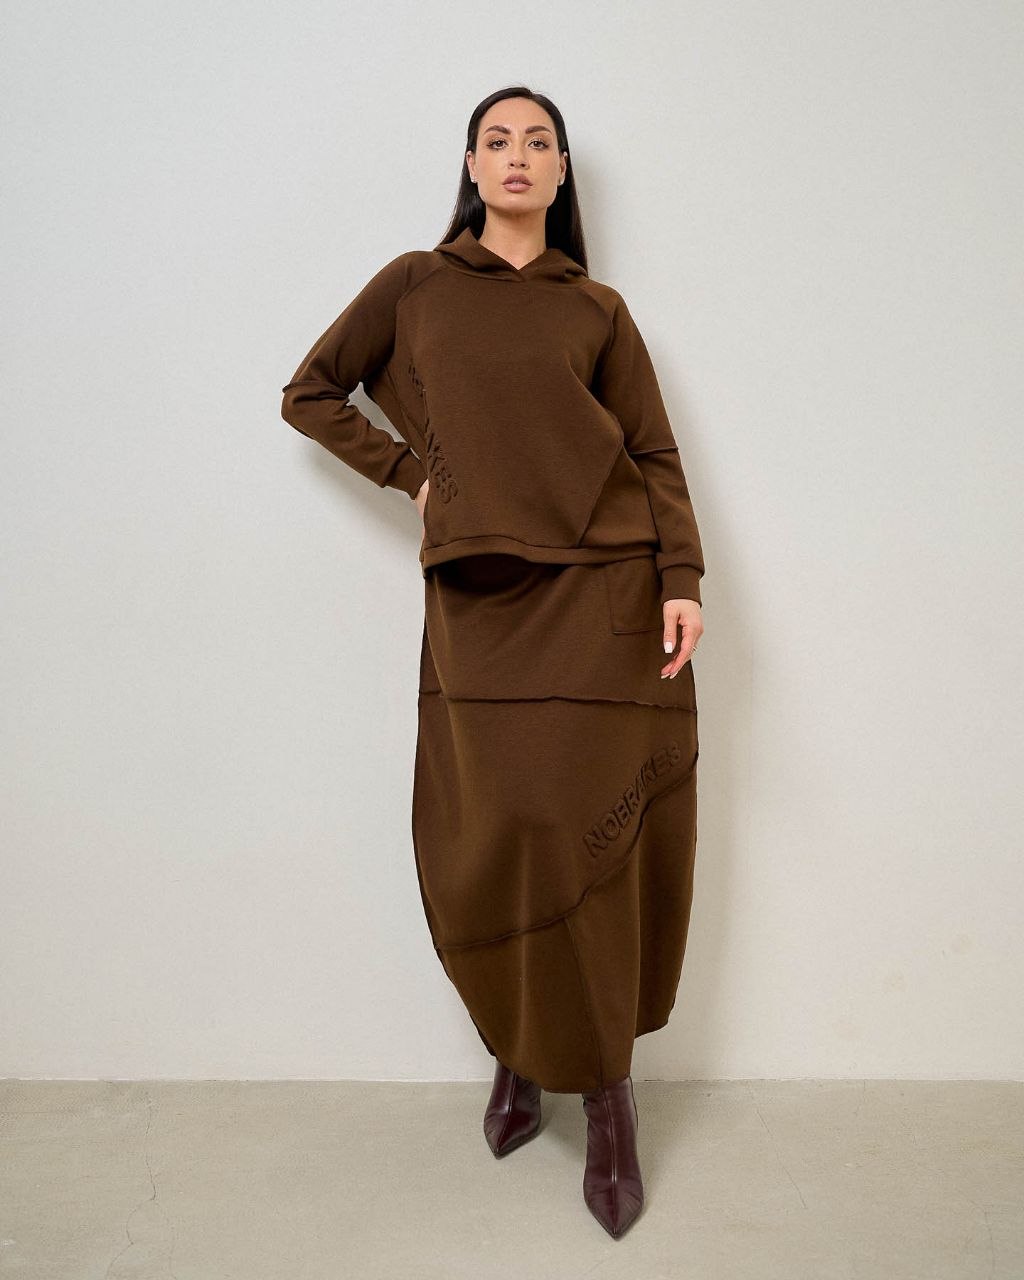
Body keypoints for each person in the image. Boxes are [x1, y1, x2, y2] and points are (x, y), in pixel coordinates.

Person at [280, 84, 706, 1241]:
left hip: (607, 596)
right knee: (500, 837)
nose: (517, 156)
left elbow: (654, 452)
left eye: (538, 142)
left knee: (588, 847)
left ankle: (607, 1098)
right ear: (470, 166)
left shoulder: (596, 310)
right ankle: (518, 1051)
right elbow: (310, 392)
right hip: (480, 604)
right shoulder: (416, 285)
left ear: (561, 174)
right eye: (496, 140)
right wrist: (415, 477)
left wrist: (680, 577)